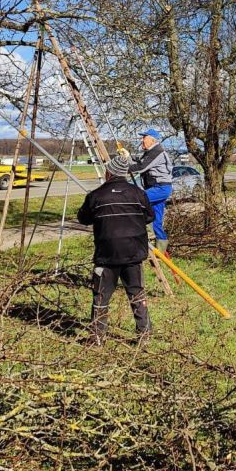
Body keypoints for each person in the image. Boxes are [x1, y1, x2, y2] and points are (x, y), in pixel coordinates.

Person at [77, 150, 154, 343]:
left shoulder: (95, 196)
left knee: (101, 296)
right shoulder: (138, 194)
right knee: (137, 294)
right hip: (134, 254)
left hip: (106, 254)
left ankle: (97, 337)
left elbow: (83, 218)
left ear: (109, 173)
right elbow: (149, 216)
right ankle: (144, 335)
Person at [127, 128, 173, 256]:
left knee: (137, 199)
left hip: (160, 188)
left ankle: (136, 237)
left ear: (152, 140)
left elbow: (141, 167)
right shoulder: (151, 152)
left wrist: (121, 167)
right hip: (157, 188)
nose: (142, 140)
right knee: (157, 221)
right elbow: (141, 161)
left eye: (144, 138)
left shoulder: (156, 152)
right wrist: (128, 157)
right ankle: (161, 252)